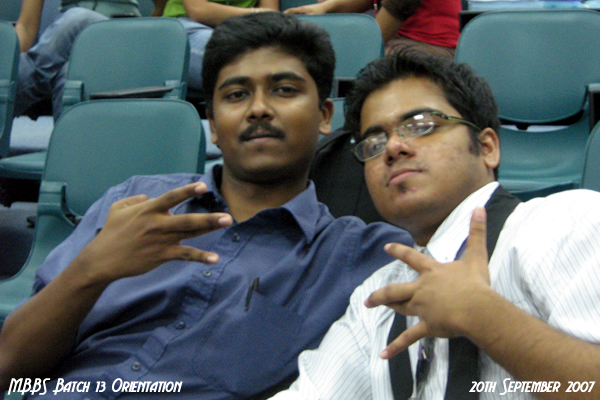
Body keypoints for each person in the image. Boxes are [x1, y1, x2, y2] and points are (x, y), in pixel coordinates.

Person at [0, 13, 412, 399]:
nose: (258, 109)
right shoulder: (134, 204)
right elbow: (10, 367)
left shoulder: (355, 256)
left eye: (284, 90)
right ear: (213, 125)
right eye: (236, 95)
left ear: (325, 115)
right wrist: (91, 270)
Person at [270, 51, 600, 399]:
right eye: (374, 142)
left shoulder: (565, 222)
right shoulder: (378, 296)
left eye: (420, 125)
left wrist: (483, 316)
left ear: (487, 147)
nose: (393, 147)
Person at [13, 0, 160, 120]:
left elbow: (162, 7)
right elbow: (26, 26)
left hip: (119, 38)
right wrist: (8, 62)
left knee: (79, 18)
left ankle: (10, 95)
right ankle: (68, 146)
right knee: (68, 74)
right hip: (69, 48)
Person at [161, 0, 279, 92]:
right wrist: (256, 13)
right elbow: (198, 11)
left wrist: (260, 14)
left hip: (242, 31)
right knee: (234, 57)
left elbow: (270, 16)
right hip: (184, 28)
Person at [284, 0, 459, 58]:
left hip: (431, 47)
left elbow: (401, 4)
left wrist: (361, 53)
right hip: (401, 42)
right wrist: (326, 7)